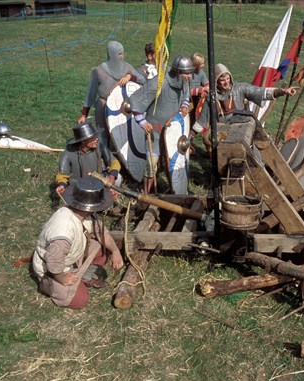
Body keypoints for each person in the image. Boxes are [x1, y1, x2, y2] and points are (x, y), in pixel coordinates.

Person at [32, 177, 124, 309]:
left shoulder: (84, 214)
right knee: (80, 300)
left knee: (103, 248)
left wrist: (115, 251)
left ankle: (82, 275)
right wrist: (60, 277)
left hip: (70, 256)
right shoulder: (64, 230)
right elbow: (53, 260)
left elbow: (101, 232)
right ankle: (51, 284)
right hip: (52, 269)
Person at [192, 63, 299, 157]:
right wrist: (189, 138)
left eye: (228, 79)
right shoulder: (212, 96)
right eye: (222, 80)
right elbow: (202, 120)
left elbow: (260, 92)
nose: (226, 82)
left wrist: (283, 91)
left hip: (241, 129)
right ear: (216, 81)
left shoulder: (240, 88)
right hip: (222, 133)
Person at [128, 55, 193, 194]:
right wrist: (142, 121)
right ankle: (146, 192)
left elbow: (185, 96)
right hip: (155, 131)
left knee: (172, 162)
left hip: (173, 133)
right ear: (177, 72)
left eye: (190, 73)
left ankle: (175, 191)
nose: (189, 76)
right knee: (151, 164)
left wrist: (185, 105)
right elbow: (135, 101)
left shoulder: (184, 83)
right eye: (186, 73)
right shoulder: (159, 82)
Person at [78, 41, 145, 147]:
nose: (122, 56)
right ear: (112, 54)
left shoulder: (127, 67)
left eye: (122, 53)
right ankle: (105, 158)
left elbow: (143, 80)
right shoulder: (98, 71)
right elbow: (90, 93)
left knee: (124, 135)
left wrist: (130, 77)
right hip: (104, 105)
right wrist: (84, 114)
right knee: (102, 135)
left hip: (123, 106)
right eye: (119, 54)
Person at [55, 121, 122, 196]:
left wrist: (112, 176)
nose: (96, 139)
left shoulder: (100, 146)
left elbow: (114, 163)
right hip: (78, 186)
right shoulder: (67, 154)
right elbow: (62, 176)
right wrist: (62, 185)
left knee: (118, 177)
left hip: (99, 180)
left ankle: (110, 199)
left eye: (96, 136)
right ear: (83, 141)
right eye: (92, 138)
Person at [188, 52, 209, 126]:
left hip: (196, 100)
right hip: (186, 100)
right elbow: (186, 91)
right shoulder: (187, 73)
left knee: (193, 119)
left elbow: (206, 84)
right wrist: (201, 90)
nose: (203, 65)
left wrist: (206, 89)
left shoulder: (201, 72)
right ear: (196, 64)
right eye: (201, 63)